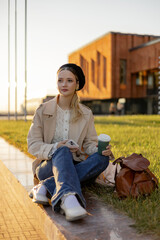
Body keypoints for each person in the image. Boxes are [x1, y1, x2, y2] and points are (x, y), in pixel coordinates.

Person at [27, 63, 112, 221]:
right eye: (60, 80)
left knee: (102, 158)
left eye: (69, 80)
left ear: (77, 84)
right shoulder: (42, 110)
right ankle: (68, 198)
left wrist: (101, 149)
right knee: (63, 150)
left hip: (73, 164)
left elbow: (89, 143)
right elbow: (33, 144)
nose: (63, 85)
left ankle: (45, 186)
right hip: (46, 167)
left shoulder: (86, 113)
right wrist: (57, 147)